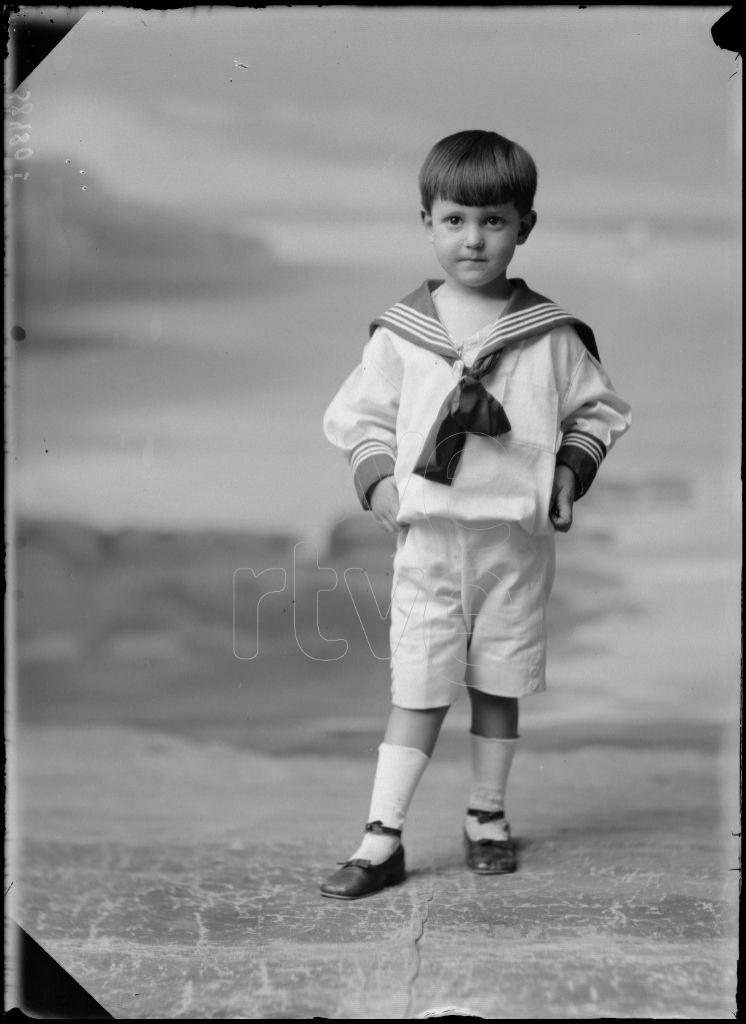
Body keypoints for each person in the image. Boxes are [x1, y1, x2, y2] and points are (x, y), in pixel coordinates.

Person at [320, 129, 631, 899]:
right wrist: (381, 483)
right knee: (418, 688)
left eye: (493, 221)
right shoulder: (402, 335)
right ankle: (381, 837)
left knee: (498, 683)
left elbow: (599, 412)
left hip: (514, 546)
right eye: (455, 219)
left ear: (525, 226)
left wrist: (568, 473)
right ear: (426, 221)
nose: (473, 238)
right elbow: (358, 418)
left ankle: (486, 816)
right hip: (428, 543)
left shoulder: (551, 336)